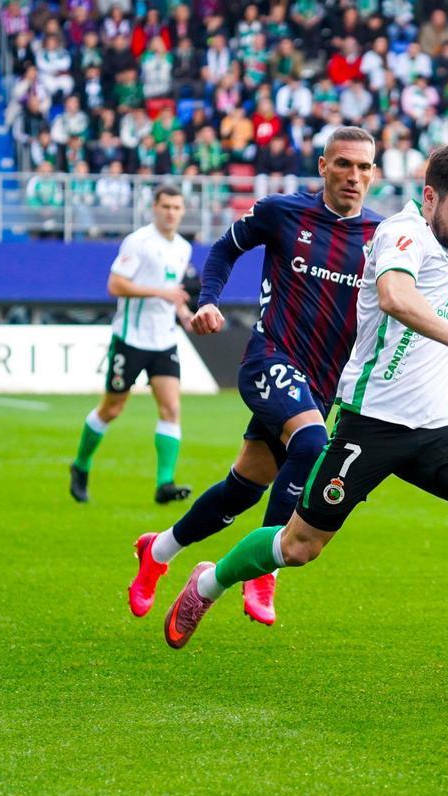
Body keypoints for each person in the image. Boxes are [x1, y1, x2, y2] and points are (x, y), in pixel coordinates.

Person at [157, 143, 448, 669]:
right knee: (298, 546)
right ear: (430, 196)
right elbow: (395, 295)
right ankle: (207, 583)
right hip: (372, 427)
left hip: (438, 427)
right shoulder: (402, 232)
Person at [126, 126, 383, 627]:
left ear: (374, 173)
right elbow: (223, 250)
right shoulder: (282, 212)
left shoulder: (381, 236)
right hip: (270, 358)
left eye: (364, 167)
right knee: (310, 444)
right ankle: (264, 572)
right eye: (344, 164)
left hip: (322, 384)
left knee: (242, 488)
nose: (354, 176)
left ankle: (157, 550)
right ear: (324, 165)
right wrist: (207, 302)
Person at [70, 184, 195, 505]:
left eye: (176, 207)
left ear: (183, 211)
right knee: (112, 408)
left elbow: (172, 292)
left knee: (171, 408)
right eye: (165, 206)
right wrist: (160, 293)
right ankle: (80, 466)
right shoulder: (138, 242)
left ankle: (164, 483)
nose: (171, 213)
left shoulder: (183, 248)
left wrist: (183, 313)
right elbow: (115, 284)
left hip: (164, 340)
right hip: (131, 339)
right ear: (154, 207)